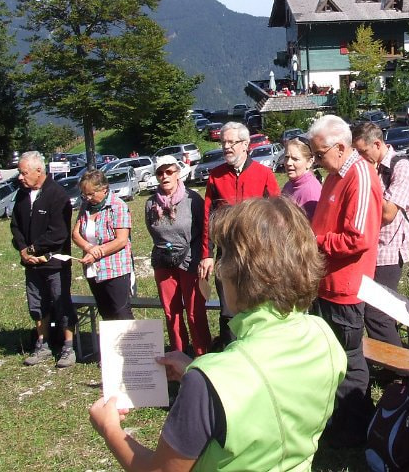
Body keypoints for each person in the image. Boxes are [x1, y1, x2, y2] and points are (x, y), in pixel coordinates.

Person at [89, 196, 347, 472]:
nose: (219, 271)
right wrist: (196, 373)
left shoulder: (210, 381)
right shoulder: (323, 336)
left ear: (244, 272)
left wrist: (110, 429)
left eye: (224, 256)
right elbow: (273, 396)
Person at [308, 114, 382, 447]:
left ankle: (358, 430)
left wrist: (315, 243)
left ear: (340, 147)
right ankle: (340, 423)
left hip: (346, 288)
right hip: (325, 284)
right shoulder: (333, 176)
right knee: (331, 358)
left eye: (319, 154)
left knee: (350, 361)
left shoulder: (360, 175)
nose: (316, 161)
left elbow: (359, 238)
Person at [200, 122, 279, 346]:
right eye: (223, 142)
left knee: (258, 307)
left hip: (257, 255)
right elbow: (208, 217)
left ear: (245, 144)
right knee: (228, 311)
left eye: (231, 142)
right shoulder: (216, 176)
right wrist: (207, 254)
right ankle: (231, 354)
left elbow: (277, 216)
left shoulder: (264, 174)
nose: (226, 147)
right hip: (227, 255)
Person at [10, 151, 78, 368]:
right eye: (20, 173)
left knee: (61, 302)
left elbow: (58, 233)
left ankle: (68, 347)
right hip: (31, 264)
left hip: (54, 263)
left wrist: (34, 249)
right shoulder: (21, 195)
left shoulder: (57, 195)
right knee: (37, 304)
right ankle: (43, 344)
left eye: (24, 173)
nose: (20, 177)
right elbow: (15, 225)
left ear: (39, 170)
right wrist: (23, 250)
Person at [352, 121, 409, 347]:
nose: (359, 158)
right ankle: (389, 361)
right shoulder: (373, 166)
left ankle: (400, 365)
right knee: (372, 313)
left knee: (377, 315)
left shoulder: (401, 167)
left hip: (388, 251)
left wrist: (369, 180)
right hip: (368, 250)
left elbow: (388, 213)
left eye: (362, 151)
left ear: (377, 144)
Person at [146, 155, 211, 356]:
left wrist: (203, 257)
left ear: (177, 173)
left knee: (194, 312)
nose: (164, 176)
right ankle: (178, 355)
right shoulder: (150, 204)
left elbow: (206, 229)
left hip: (191, 260)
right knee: (171, 312)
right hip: (163, 261)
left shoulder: (193, 199)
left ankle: (202, 355)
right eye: (160, 173)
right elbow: (152, 230)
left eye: (169, 172)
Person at [71, 170, 134, 322]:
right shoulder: (85, 206)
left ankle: (131, 338)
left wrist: (96, 253)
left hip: (115, 269)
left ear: (104, 189)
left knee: (120, 312)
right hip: (93, 270)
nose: (87, 198)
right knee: (105, 312)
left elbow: (121, 240)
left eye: (91, 194)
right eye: (84, 194)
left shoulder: (118, 206)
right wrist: (89, 248)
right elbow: (75, 234)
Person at [281, 137, 322, 219]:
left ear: (309, 162)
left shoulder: (310, 193)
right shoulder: (289, 185)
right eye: (286, 157)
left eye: (295, 159)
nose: (288, 163)